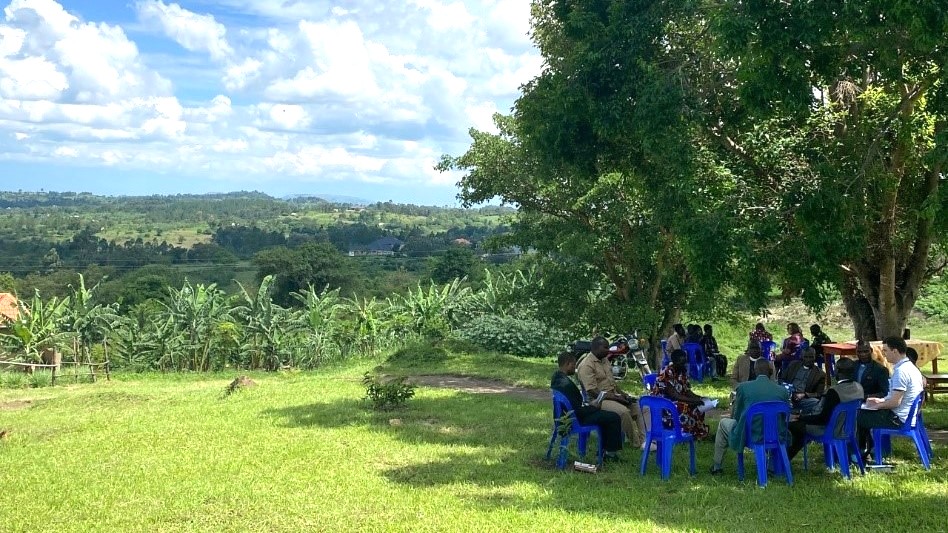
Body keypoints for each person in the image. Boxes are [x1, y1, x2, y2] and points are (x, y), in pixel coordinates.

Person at [711, 358, 790, 474]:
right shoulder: (782, 391)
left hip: (750, 435)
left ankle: (716, 466)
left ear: (755, 371)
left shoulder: (744, 388)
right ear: (771, 371)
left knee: (723, 423)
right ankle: (772, 467)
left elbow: (737, 414)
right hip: (776, 434)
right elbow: (785, 416)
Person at [857, 336, 925, 461]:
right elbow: (895, 397)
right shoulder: (911, 367)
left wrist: (877, 405)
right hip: (905, 415)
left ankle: (859, 454)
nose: (883, 354)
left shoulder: (901, 372)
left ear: (894, 351)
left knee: (856, 417)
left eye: (885, 350)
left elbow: (895, 402)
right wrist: (881, 400)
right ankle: (869, 451)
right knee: (862, 414)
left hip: (898, 419)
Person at [577, 336, 649, 450]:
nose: (608, 350)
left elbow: (613, 383)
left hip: (613, 395)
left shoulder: (605, 360)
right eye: (605, 348)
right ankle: (636, 443)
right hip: (599, 401)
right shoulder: (586, 365)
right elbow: (593, 391)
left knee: (643, 408)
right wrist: (616, 398)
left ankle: (645, 440)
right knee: (624, 412)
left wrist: (623, 394)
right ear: (596, 348)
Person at [551, 352, 624, 460]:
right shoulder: (567, 385)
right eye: (574, 364)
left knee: (604, 415)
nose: (575, 367)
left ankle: (604, 450)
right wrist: (593, 407)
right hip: (574, 420)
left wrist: (589, 406)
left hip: (563, 417)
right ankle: (610, 454)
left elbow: (573, 406)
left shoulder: (556, 378)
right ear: (568, 364)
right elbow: (578, 411)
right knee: (613, 417)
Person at [786, 358, 864, 460]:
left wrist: (801, 417)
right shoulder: (859, 387)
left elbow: (823, 419)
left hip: (831, 430)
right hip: (850, 430)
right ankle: (785, 459)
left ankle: (783, 459)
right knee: (801, 431)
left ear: (837, 371)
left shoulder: (834, 392)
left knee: (793, 425)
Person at [651, 349, 710, 440]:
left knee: (698, 406)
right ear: (674, 361)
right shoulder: (666, 372)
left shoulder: (682, 371)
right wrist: (694, 401)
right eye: (681, 362)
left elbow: (687, 391)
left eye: (684, 362)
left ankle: (697, 432)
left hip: (677, 399)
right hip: (664, 402)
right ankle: (683, 433)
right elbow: (674, 395)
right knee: (685, 406)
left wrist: (700, 398)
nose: (683, 364)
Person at [782, 348, 826, 415]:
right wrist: (788, 391)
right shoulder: (793, 365)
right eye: (806, 357)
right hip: (787, 395)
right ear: (802, 357)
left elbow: (819, 393)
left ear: (815, 357)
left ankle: (801, 414)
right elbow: (782, 379)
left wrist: (804, 394)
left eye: (811, 357)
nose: (808, 360)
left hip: (803, 399)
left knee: (816, 402)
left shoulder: (820, 374)